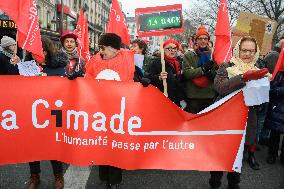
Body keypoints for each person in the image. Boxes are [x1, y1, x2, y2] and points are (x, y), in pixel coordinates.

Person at [85, 33, 150, 189]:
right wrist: (76, 79)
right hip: (99, 113)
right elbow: (87, 79)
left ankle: (114, 180)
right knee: (102, 144)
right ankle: (103, 175)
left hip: (119, 112)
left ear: (114, 49)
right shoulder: (94, 61)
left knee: (116, 145)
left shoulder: (128, 60)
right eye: (100, 48)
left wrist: (143, 81)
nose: (101, 51)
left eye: (103, 48)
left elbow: (135, 77)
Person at [209, 36, 269, 189]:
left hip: (246, 121)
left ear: (256, 52)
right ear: (238, 50)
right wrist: (242, 77)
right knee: (219, 156)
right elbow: (220, 87)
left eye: (251, 51)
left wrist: (266, 85)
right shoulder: (226, 66)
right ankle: (215, 183)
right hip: (225, 119)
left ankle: (234, 184)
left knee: (238, 157)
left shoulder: (259, 70)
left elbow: (262, 100)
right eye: (244, 50)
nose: (247, 54)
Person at [24, 37, 68, 189]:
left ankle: (58, 177)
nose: (37, 54)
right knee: (32, 147)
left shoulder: (57, 67)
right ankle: (34, 176)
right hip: (32, 113)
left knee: (53, 146)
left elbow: (63, 90)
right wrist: (14, 66)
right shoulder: (26, 66)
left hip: (53, 114)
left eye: (40, 51)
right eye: (33, 52)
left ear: (46, 50)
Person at [182, 25, 217, 113]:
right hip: (194, 96)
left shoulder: (213, 55)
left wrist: (213, 74)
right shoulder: (189, 55)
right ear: (196, 40)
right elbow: (187, 73)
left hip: (210, 95)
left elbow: (218, 72)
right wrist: (203, 70)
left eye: (205, 38)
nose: (203, 41)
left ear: (208, 40)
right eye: (200, 38)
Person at [148, 39, 186, 108]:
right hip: (162, 99)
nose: (172, 50)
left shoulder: (178, 62)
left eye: (174, 48)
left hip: (176, 101)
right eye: (169, 48)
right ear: (163, 50)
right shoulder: (157, 62)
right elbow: (149, 78)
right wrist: (159, 77)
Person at [265, 71, 284, 165]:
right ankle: (272, 154)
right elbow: (271, 89)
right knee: (275, 134)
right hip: (278, 109)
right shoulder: (280, 73)